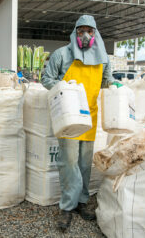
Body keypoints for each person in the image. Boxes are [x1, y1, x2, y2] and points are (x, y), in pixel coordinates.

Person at [41, 15, 120, 232]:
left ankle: (82, 202)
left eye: (90, 31)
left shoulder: (103, 57)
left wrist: (116, 86)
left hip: (90, 116)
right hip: (68, 116)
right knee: (69, 162)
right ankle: (67, 207)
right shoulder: (62, 54)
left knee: (85, 164)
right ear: (75, 32)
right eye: (81, 30)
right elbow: (46, 79)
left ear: (95, 33)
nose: (85, 35)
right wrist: (66, 86)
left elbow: (107, 80)